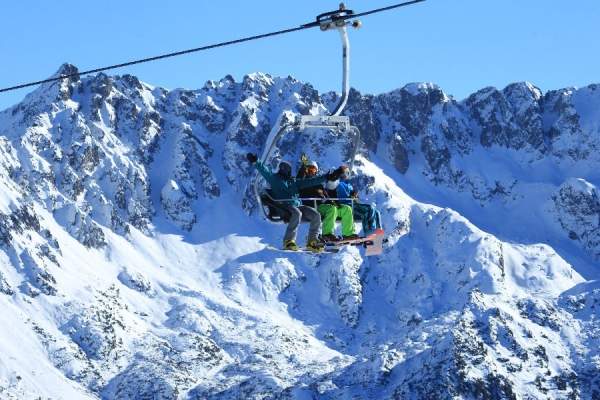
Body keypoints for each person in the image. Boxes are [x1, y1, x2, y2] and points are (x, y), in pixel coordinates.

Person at [247, 153, 344, 252]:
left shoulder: (294, 182)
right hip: (284, 205)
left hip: (298, 205)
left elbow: (312, 181)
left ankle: (312, 241)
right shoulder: (274, 179)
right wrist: (256, 161)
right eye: (283, 168)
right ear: (280, 169)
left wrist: (327, 177)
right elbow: (264, 170)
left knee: (316, 215)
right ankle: (288, 241)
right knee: (297, 213)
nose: (285, 170)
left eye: (287, 168)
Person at [298, 160, 357, 241]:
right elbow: (298, 180)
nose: (311, 172)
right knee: (331, 209)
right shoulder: (303, 182)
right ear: (305, 170)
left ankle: (348, 234)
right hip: (314, 207)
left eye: (313, 170)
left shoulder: (319, 183)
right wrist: (302, 169)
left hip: (326, 205)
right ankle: (327, 234)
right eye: (309, 170)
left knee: (346, 209)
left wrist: (334, 202)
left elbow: (328, 192)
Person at [328, 165, 382, 236]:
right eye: (344, 173)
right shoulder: (337, 183)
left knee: (376, 212)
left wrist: (354, 195)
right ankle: (369, 231)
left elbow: (352, 195)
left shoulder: (348, 184)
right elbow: (332, 187)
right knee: (367, 210)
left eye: (347, 173)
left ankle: (378, 232)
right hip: (345, 205)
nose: (346, 175)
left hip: (352, 204)